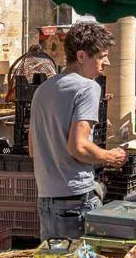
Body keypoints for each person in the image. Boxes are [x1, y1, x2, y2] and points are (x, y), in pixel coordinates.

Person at [29, 22, 127, 240]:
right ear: (82, 56)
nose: (107, 63)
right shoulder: (88, 87)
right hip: (75, 198)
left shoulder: (43, 90)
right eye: (102, 56)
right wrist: (110, 156)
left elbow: (32, 148)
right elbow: (79, 146)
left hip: (46, 199)